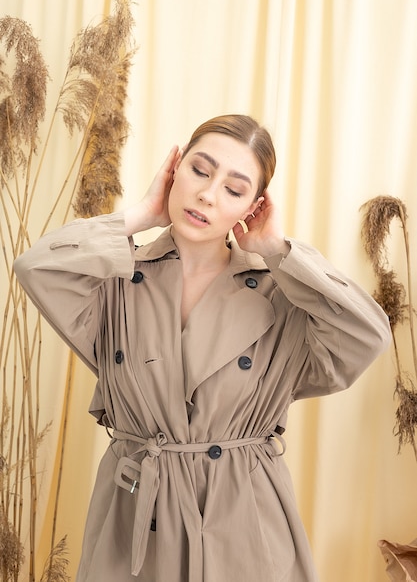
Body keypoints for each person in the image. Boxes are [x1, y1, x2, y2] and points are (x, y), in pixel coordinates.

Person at [14, 114, 391, 582]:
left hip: (244, 522)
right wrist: (139, 217)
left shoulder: (284, 293)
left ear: (253, 207)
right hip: (136, 517)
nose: (208, 195)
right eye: (199, 170)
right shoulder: (115, 281)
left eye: (234, 190)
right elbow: (35, 268)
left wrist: (278, 251)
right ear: (175, 170)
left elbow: (367, 334)